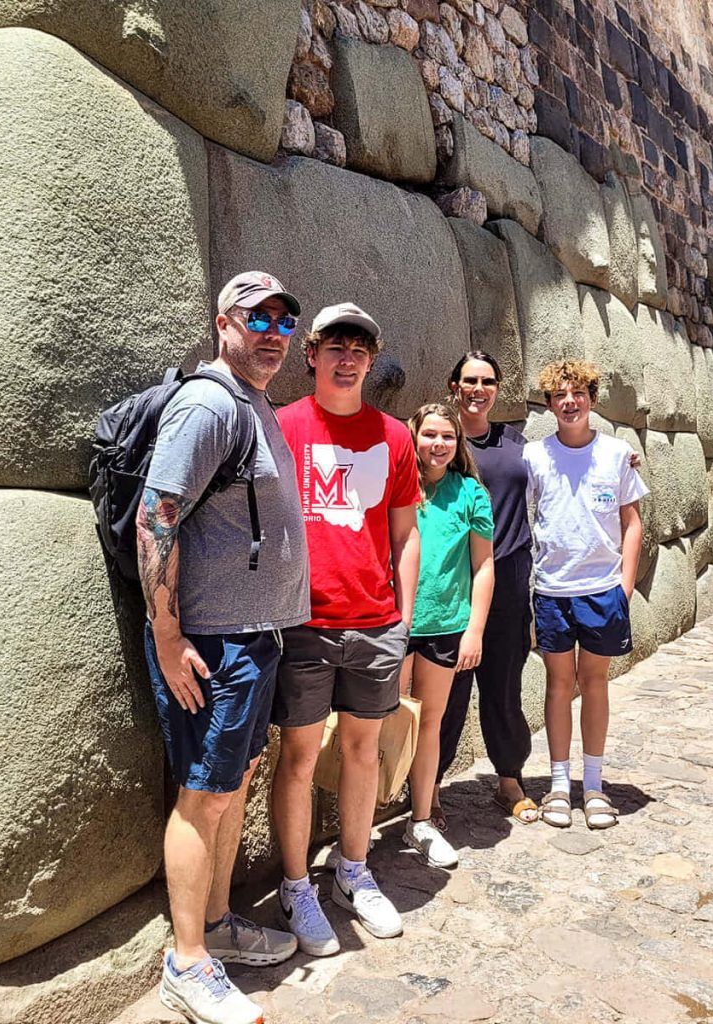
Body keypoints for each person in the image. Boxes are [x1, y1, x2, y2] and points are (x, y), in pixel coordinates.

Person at [138, 271, 310, 1024]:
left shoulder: (253, 403)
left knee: (232, 785)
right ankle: (187, 961)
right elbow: (157, 517)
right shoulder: (210, 403)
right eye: (258, 318)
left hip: (252, 638)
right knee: (202, 799)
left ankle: (216, 924)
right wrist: (169, 636)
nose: (273, 332)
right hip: (211, 642)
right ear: (222, 324)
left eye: (284, 320)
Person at [271, 303, 420, 954]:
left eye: (361, 344)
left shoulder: (394, 438)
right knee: (299, 759)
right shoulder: (280, 428)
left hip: (372, 623)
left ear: (371, 356)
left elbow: (405, 532)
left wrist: (404, 615)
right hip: (302, 624)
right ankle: (296, 883)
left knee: (364, 752)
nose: (348, 355)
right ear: (312, 353)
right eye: (336, 343)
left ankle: (352, 870)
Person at [523, 360, 647, 830]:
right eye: (559, 396)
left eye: (578, 394)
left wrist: (626, 583)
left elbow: (632, 521)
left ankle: (593, 786)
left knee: (595, 684)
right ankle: (558, 785)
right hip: (553, 588)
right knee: (558, 685)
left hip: (602, 589)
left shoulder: (617, 454)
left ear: (592, 400)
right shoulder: (535, 456)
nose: (569, 402)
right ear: (550, 404)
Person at [436, 351, 540, 826]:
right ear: (454, 386)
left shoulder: (517, 444)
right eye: (469, 381)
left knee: (503, 684)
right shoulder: (439, 443)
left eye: (488, 381)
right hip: (454, 583)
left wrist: (623, 455)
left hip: (509, 581)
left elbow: (566, 457)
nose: (478, 389)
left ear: (498, 388)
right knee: (446, 690)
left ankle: (508, 778)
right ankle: (428, 784)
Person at [399, 403, 494, 868]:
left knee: (430, 722)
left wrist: (474, 628)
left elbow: (483, 565)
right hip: (395, 624)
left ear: (458, 445)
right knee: (385, 721)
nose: (438, 444)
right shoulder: (399, 486)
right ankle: (367, 821)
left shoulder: (471, 493)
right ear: (413, 436)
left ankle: (420, 818)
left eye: (448, 437)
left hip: (444, 624)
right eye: (430, 434)